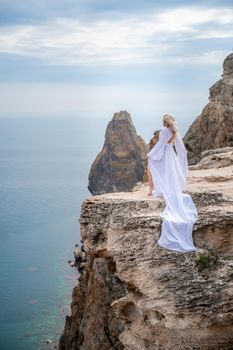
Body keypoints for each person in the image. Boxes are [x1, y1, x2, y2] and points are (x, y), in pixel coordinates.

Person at [147, 114, 197, 253]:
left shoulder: (165, 131)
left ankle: (152, 188)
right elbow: (180, 149)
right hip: (171, 155)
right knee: (169, 173)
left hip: (164, 154)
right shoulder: (174, 132)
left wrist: (151, 154)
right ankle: (157, 187)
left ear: (164, 122)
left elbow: (160, 145)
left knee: (152, 165)